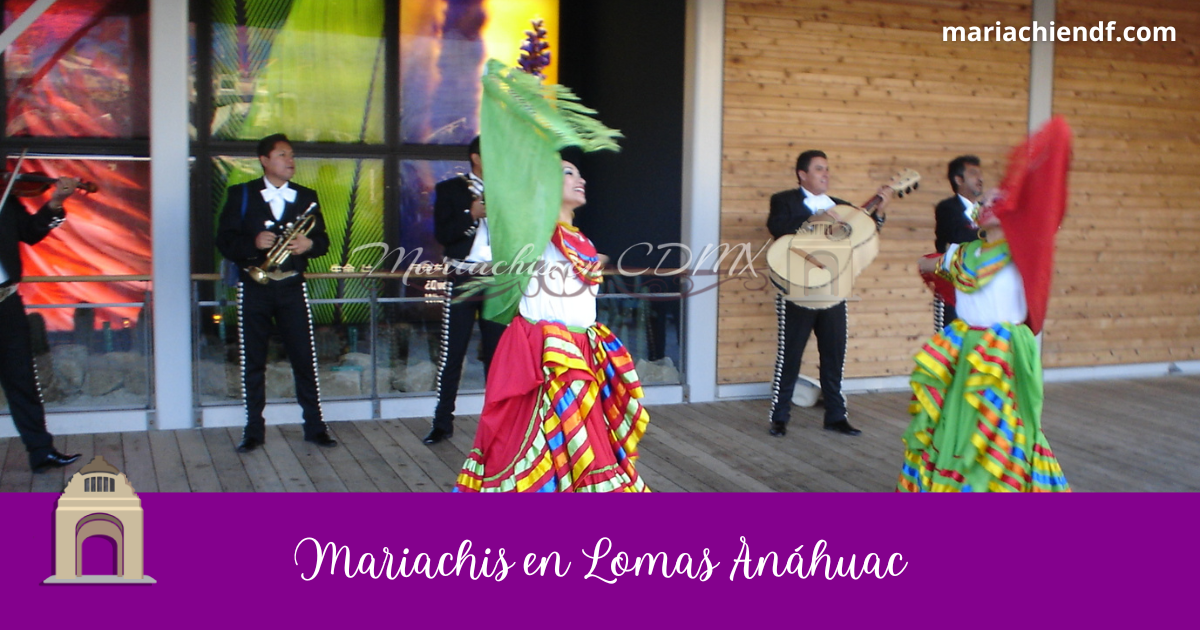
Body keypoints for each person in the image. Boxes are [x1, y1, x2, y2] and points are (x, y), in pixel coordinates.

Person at [454, 156, 651, 492]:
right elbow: (489, 254)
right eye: (567, 173)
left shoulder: (582, 241)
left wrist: (597, 260)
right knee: (551, 444)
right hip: (547, 358)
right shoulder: (533, 234)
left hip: (583, 351)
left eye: (579, 173)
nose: (581, 179)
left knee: (583, 444)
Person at [900, 116, 1074, 492]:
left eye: (1000, 200)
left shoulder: (1020, 251)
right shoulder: (967, 251)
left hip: (1000, 352)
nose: (991, 203)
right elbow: (932, 264)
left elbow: (1048, 195)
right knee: (958, 422)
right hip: (966, 348)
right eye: (987, 201)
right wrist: (935, 262)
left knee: (999, 425)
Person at [216, 134, 337, 453]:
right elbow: (224, 241)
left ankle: (315, 425)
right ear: (264, 160)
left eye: (292, 155)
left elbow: (323, 241)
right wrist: (252, 244)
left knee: (304, 357)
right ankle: (253, 429)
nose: (290, 160)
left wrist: (309, 245)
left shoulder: (307, 197)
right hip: (255, 287)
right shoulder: (240, 194)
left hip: (292, 287)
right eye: (282, 155)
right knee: (253, 360)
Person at [766, 150, 892, 438]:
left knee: (834, 354)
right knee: (791, 354)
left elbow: (864, 233)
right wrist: (814, 220)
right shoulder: (784, 200)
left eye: (827, 169)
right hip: (797, 288)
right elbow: (778, 229)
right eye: (819, 169)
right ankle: (779, 416)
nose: (826, 174)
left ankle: (836, 415)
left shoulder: (841, 206)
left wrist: (880, 211)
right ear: (802, 174)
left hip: (833, 289)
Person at [425, 136, 506, 445]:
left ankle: (497, 427)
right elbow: (443, 234)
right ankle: (442, 423)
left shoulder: (508, 190)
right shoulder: (450, 189)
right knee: (453, 353)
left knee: (497, 355)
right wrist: (470, 214)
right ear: (476, 158)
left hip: (498, 278)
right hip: (462, 276)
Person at [0, 176, 83, 472]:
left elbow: (33, 232)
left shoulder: (5, 199)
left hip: (6, 302)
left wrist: (56, 203)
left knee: (22, 379)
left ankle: (40, 451)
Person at [933, 155, 985, 330]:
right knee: (952, 342)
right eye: (973, 173)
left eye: (980, 173)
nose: (980, 178)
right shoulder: (947, 208)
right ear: (958, 179)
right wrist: (989, 232)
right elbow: (959, 235)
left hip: (983, 287)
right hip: (953, 288)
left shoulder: (987, 209)